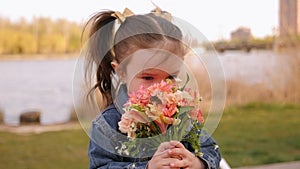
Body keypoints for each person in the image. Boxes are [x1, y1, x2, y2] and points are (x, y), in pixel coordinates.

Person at [82, 7, 221, 169]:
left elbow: (211, 150)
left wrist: (198, 163)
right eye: (148, 77)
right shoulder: (108, 124)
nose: (159, 89)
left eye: (170, 77)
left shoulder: (181, 113)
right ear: (121, 72)